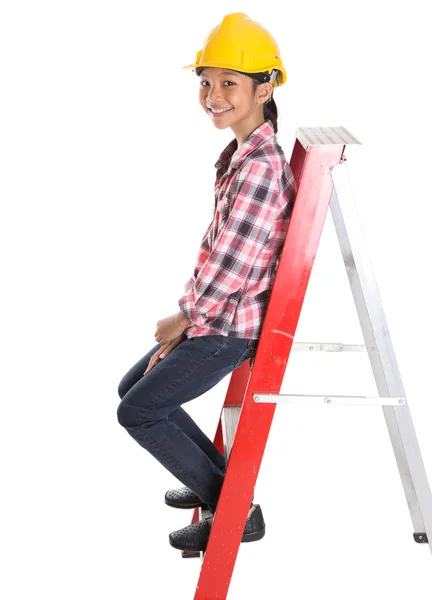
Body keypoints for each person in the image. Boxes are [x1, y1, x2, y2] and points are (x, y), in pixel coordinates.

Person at [116, 12, 297, 553]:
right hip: (215, 318)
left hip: (227, 329)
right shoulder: (242, 156)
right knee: (133, 391)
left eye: (229, 83)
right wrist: (186, 319)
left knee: (138, 411)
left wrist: (183, 319)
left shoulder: (260, 168)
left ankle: (237, 507)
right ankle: (213, 480)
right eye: (206, 82)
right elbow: (220, 253)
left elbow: (232, 271)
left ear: (265, 87)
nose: (213, 95)